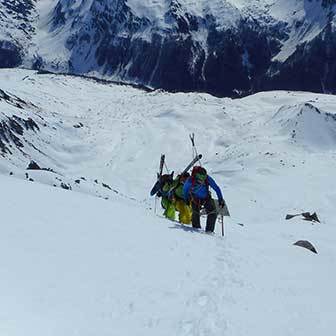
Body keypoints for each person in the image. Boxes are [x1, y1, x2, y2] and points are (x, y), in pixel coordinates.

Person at [183, 166, 224, 232]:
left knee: (212, 213)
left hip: (205, 198)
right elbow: (185, 190)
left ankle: (209, 231)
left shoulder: (207, 178)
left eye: (202, 179)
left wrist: (220, 199)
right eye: (200, 180)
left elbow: (216, 188)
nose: (201, 181)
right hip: (195, 198)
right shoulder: (190, 181)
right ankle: (197, 230)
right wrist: (186, 199)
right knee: (196, 213)